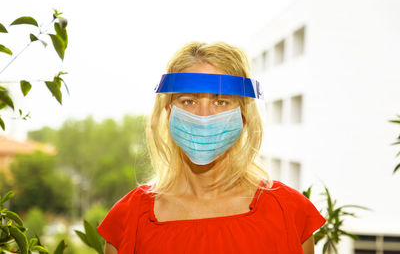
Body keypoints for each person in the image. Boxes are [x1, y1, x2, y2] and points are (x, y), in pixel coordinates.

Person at [97, 42, 326, 254]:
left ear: (243, 116)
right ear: (168, 113)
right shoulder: (128, 220)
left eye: (221, 102)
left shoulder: (290, 213)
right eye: (189, 101)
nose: (204, 116)